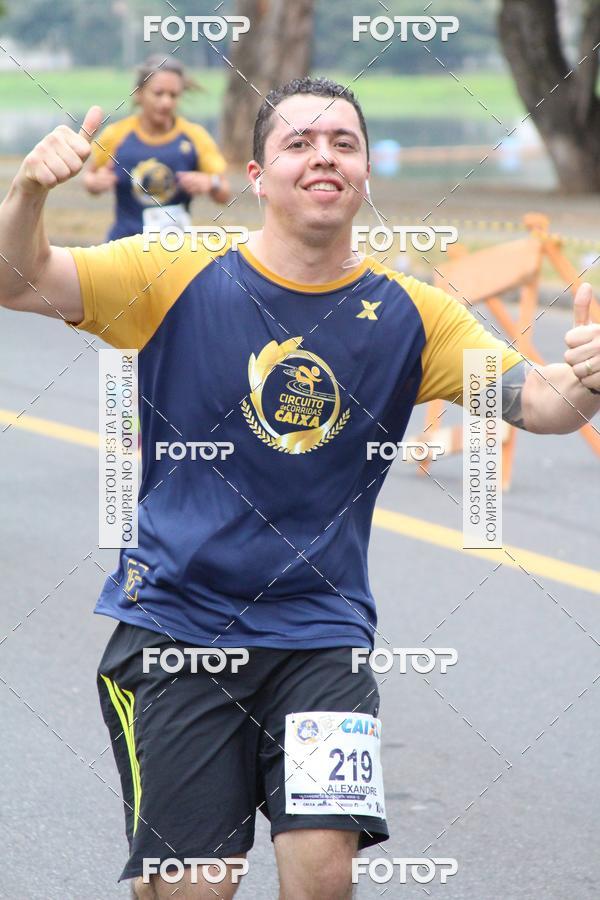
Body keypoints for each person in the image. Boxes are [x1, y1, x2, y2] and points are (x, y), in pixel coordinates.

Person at [1, 76, 599, 900]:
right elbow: (17, 278)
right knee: (196, 886)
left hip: (321, 633)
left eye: (343, 143)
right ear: (257, 176)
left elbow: (541, 403)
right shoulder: (172, 273)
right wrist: (28, 193)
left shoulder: (414, 315)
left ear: (364, 173)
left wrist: (588, 378)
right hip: (178, 626)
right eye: (299, 143)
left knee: (322, 875)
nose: (324, 156)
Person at [82, 55, 231, 239]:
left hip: (174, 247)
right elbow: (89, 178)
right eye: (158, 93)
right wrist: (95, 183)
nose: (166, 102)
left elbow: (224, 193)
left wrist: (210, 183)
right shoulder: (116, 134)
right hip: (124, 244)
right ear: (139, 93)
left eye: (173, 95)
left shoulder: (195, 136)